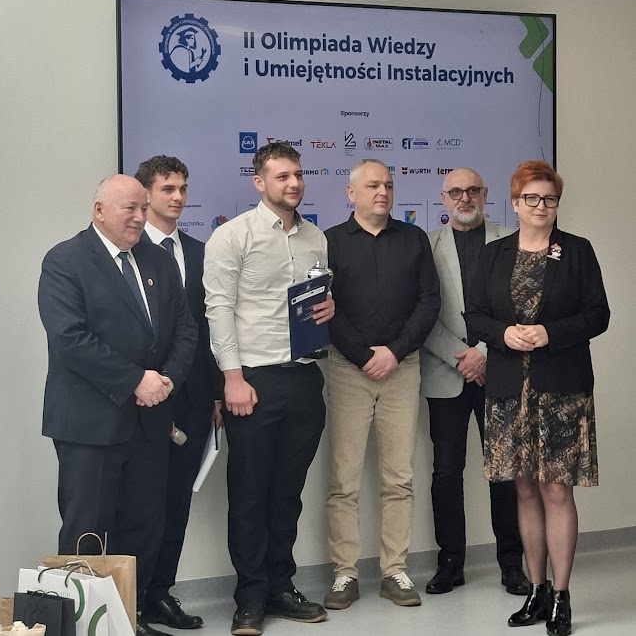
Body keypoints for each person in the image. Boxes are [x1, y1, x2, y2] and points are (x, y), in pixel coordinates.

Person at [38, 174, 198, 636]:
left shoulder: (158, 259)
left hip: (150, 422)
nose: (140, 217)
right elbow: (69, 338)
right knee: (86, 530)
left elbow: (186, 329)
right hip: (90, 425)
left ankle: (128, 618)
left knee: (143, 527)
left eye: (143, 208)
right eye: (130, 208)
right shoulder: (65, 260)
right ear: (99, 211)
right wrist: (134, 381)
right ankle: (80, 626)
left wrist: (165, 381)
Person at [467, 161, 610, 636]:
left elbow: (598, 315)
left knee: (556, 490)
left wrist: (550, 332)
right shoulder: (494, 254)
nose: (541, 206)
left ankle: (562, 596)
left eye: (549, 198)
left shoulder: (577, 251)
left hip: (562, 390)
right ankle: (537, 589)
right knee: (524, 488)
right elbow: (475, 316)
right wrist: (504, 334)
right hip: (509, 390)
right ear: (515, 203)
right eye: (531, 198)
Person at [203, 143, 334, 636]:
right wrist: (231, 378)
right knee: (250, 494)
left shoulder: (316, 237)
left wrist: (329, 309)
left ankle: (281, 585)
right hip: (253, 381)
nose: (293, 183)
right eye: (282, 176)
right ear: (259, 182)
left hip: (304, 377)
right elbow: (218, 309)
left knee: (287, 494)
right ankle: (250, 597)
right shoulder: (232, 236)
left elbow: (313, 302)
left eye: (297, 174)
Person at [323, 159, 441, 611]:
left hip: (402, 367)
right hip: (347, 369)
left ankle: (395, 570)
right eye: (372, 185)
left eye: (388, 185)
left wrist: (394, 351)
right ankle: (344, 574)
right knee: (344, 479)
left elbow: (429, 301)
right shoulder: (330, 241)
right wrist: (364, 355)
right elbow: (324, 308)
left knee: (399, 477)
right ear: (350, 193)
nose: (383, 192)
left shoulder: (414, 239)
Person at [421, 168, 528, 596]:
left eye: (472, 191)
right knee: (446, 473)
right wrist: (461, 356)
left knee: (503, 471)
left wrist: (483, 352)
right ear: (444, 198)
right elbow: (419, 311)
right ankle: (450, 563)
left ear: (484, 194)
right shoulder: (426, 245)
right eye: (456, 192)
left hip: (497, 370)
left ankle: (512, 564)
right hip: (444, 374)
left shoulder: (510, 241)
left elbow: (519, 304)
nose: (464, 198)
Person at [135, 156, 222, 631]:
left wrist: (215, 394)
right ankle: (131, 599)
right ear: (145, 194)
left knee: (176, 504)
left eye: (183, 188)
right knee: (142, 506)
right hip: (145, 398)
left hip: (193, 399)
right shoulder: (129, 249)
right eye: (168, 189)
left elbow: (209, 329)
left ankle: (160, 594)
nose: (179, 197)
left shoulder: (198, 250)